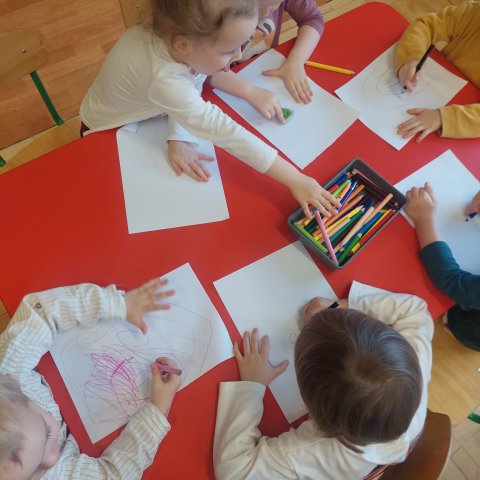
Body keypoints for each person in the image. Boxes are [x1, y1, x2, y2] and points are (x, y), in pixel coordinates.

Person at [80, 0, 339, 218]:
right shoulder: (164, 76)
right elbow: (223, 130)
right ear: (183, 45)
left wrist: (179, 132)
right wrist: (295, 179)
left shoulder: (180, 38)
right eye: (229, 51)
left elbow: (192, 81)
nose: (238, 56)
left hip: (151, 109)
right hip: (108, 131)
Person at [213, 281, 433, 479]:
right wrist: (337, 308)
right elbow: (415, 310)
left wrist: (253, 385)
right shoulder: (412, 367)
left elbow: (234, 471)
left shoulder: (314, 451)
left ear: (313, 410)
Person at [0, 277, 181, 479]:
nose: (52, 460)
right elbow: (115, 475)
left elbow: (41, 314)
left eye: (47, 433)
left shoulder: (7, 369)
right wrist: (158, 409)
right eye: (35, 472)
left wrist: (118, 305)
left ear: (13, 382)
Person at [405, 183, 480, 351]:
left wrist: (424, 219)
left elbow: (450, 280)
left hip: (470, 324)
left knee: (465, 325)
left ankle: (451, 323)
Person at [394, 2, 480, 142]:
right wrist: (410, 57)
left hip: (464, 127)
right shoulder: (474, 13)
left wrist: (443, 118)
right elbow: (426, 25)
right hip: (438, 88)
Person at [236, 0, 324, 104]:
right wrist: (249, 92)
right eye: (256, 5)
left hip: (266, 65)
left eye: (274, 5)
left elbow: (313, 18)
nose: (265, 14)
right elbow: (217, 69)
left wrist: (296, 61)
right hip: (231, 78)